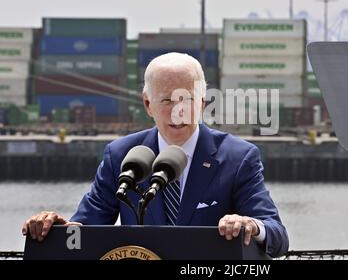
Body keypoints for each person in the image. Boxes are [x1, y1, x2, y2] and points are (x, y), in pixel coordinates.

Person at [22, 52, 289, 258]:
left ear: (204, 102)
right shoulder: (121, 155)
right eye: (167, 101)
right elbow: (83, 231)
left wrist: (251, 225)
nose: (178, 111)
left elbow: (278, 237)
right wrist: (55, 228)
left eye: (187, 99)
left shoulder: (238, 157)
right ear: (147, 104)